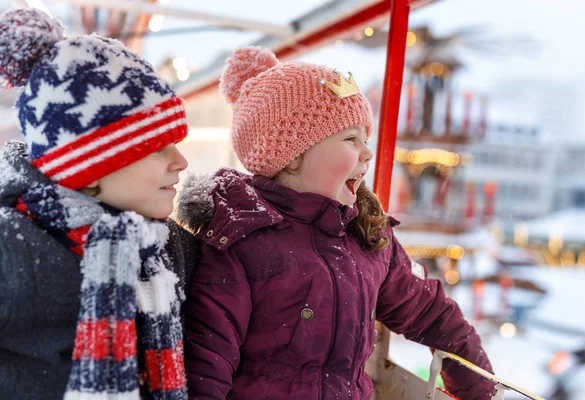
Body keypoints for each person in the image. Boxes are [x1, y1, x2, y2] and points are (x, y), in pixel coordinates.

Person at [178, 46, 495, 400]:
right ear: (294, 155)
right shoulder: (240, 239)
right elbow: (207, 361)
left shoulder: (367, 236)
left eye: (366, 138)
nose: (367, 153)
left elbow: (432, 313)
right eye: (350, 139)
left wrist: (480, 389)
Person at [0, 8, 198, 400]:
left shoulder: (171, 246)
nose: (181, 162)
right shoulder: (12, 248)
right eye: (158, 147)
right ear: (88, 167)